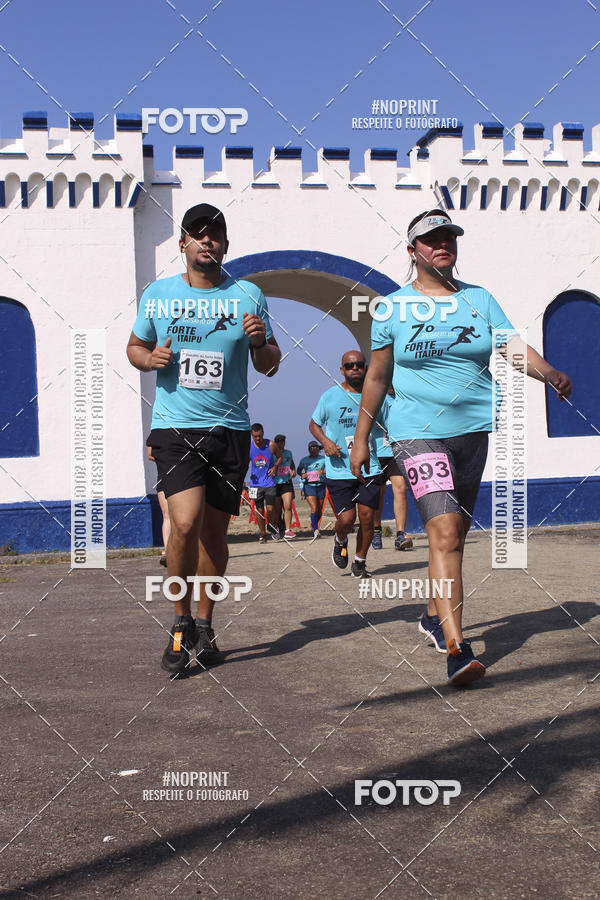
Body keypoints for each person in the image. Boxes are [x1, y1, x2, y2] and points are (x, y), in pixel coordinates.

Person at [350, 209, 571, 686]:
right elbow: (377, 375)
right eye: (431, 239)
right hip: (416, 431)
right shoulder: (391, 309)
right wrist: (362, 437)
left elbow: (510, 348)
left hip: (473, 431)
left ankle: (433, 616)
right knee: (446, 531)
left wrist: (548, 372)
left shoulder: (479, 299)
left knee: (453, 535)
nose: (442, 244)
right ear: (412, 252)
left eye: (449, 236)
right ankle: (457, 648)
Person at [127, 203, 281, 675]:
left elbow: (271, 363)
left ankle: (207, 625)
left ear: (226, 245)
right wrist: (147, 359)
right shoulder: (158, 295)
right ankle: (180, 621)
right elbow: (134, 346)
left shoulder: (248, 295)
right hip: (176, 427)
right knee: (185, 523)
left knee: (215, 533)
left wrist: (259, 342)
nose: (206, 241)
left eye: (214, 234)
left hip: (230, 430)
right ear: (183, 244)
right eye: (197, 234)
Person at [310, 350, 385, 578]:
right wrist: (326, 442)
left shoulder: (376, 396)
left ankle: (359, 561)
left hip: (369, 467)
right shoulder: (329, 396)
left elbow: (390, 424)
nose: (355, 369)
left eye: (359, 365)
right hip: (338, 468)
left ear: (365, 368)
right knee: (346, 519)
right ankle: (340, 538)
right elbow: (313, 424)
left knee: (367, 518)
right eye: (349, 365)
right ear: (342, 370)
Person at [371, 388, 413, 551]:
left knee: (401, 489)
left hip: (397, 451)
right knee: (378, 494)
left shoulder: (404, 398)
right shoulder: (376, 397)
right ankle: (376, 530)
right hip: (377, 452)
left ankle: (400, 534)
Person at [248, 423, 282, 543]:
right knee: (260, 510)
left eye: (260, 436)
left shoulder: (271, 444)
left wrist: (275, 467)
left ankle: (272, 526)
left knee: (270, 509)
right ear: (252, 436)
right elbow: (244, 464)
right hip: (255, 484)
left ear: (263, 433)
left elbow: (280, 457)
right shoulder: (249, 447)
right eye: (255, 436)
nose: (258, 439)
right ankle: (263, 534)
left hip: (269, 482)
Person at [147, 444, 171, 566]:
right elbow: (150, 454)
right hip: (164, 476)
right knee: (167, 515)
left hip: (185, 477)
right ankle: (168, 552)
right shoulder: (157, 431)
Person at [297, 440, 327, 537]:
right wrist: (302, 475)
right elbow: (299, 470)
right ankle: (316, 529)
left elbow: (330, 469)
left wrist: (324, 472)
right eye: (312, 448)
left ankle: (314, 524)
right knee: (314, 508)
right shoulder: (304, 460)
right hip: (309, 486)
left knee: (319, 509)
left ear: (318, 449)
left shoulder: (324, 459)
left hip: (321, 485)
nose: (314, 450)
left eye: (316, 448)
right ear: (309, 450)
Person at [272, 434, 297, 539]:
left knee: (288, 506)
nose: (281, 443)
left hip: (287, 482)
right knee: (277, 509)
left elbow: (291, 464)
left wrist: (293, 470)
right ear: (275, 443)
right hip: (275, 483)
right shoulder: (272, 454)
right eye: (278, 441)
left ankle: (287, 530)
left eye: (282, 441)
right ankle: (277, 528)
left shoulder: (288, 453)